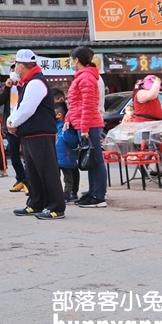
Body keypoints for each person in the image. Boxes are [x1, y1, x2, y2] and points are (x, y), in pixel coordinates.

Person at [7, 49, 66, 220]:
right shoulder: (28, 82)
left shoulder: (36, 82)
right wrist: (12, 120)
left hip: (40, 132)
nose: (15, 68)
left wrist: (13, 123)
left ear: (21, 65)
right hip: (30, 133)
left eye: (16, 65)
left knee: (47, 170)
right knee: (32, 171)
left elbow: (27, 109)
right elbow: (20, 107)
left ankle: (56, 206)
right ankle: (35, 202)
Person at [65, 45, 107, 208]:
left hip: (90, 125)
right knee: (91, 160)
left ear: (76, 60)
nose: (70, 62)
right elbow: (76, 104)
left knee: (96, 160)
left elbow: (89, 105)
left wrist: (83, 128)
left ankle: (99, 196)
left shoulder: (86, 78)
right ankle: (92, 192)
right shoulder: (83, 76)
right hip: (86, 125)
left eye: (71, 59)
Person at [0, 63, 28, 194]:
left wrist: (19, 84)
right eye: (12, 69)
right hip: (10, 125)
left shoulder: (26, 85)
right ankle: (21, 179)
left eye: (17, 69)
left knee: (27, 155)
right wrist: (7, 87)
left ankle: (28, 181)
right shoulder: (7, 86)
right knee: (13, 154)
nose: (15, 72)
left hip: (24, 124)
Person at [55, 102, 80, 202]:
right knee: (56, 177)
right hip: (57, 157)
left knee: (68, 177)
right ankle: (58, 193)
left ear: (59, 114)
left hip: (67, 156)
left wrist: (65, 133)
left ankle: (68, 193)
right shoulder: (55, 126)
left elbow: (73, 141)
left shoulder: (68, 126)